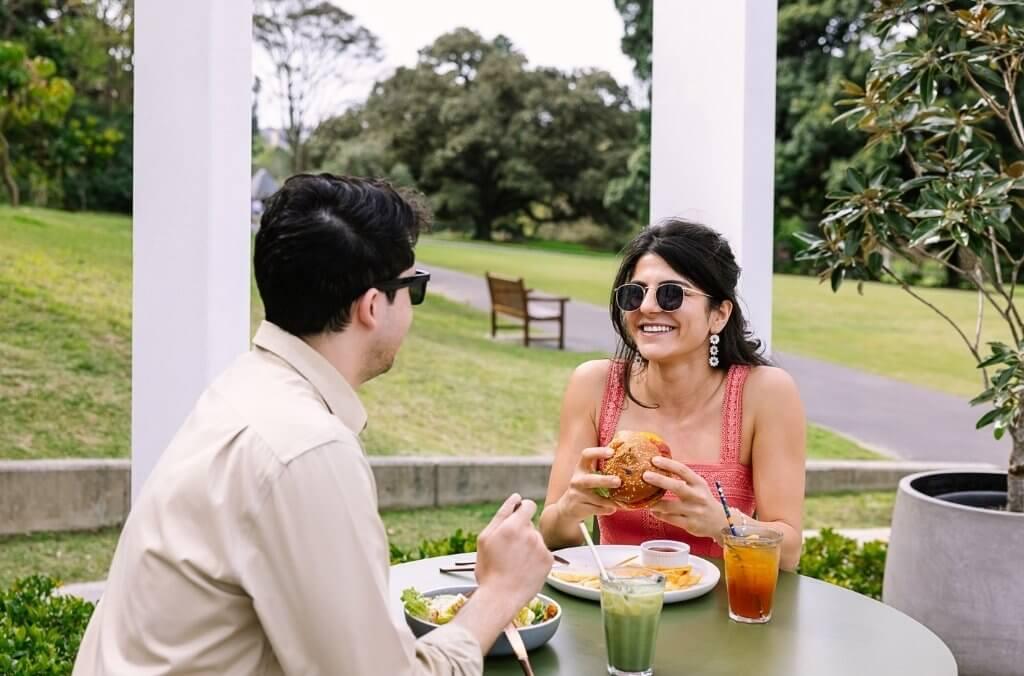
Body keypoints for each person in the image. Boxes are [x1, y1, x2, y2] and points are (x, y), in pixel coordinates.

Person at [74, 174, 553, 675]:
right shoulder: (304, 448)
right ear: (372, 306)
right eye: (415, 287)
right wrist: (499, 593)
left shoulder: (244, 390)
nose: (413, 305)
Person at [539, 218, 806, 570]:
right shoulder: (594, 384)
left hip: (722, 615)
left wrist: (723, 525)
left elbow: (788, 553)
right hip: (619, 606)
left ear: (719, 315)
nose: (648, 307)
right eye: (635, 293)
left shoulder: (766, 393)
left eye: (671, 293)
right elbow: (552, 534)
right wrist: (570, 511)